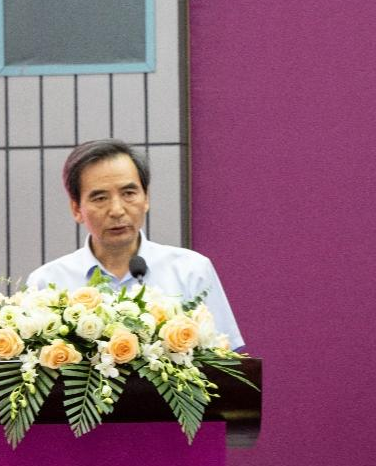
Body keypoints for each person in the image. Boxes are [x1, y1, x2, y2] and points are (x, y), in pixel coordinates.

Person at [26, 139, 244, 350]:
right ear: (76, 209)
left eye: (128, 194)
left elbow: (225, 361)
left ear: (146, 198)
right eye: (100, 198)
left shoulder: (191, 271)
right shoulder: (47, 283)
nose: (117, 210)